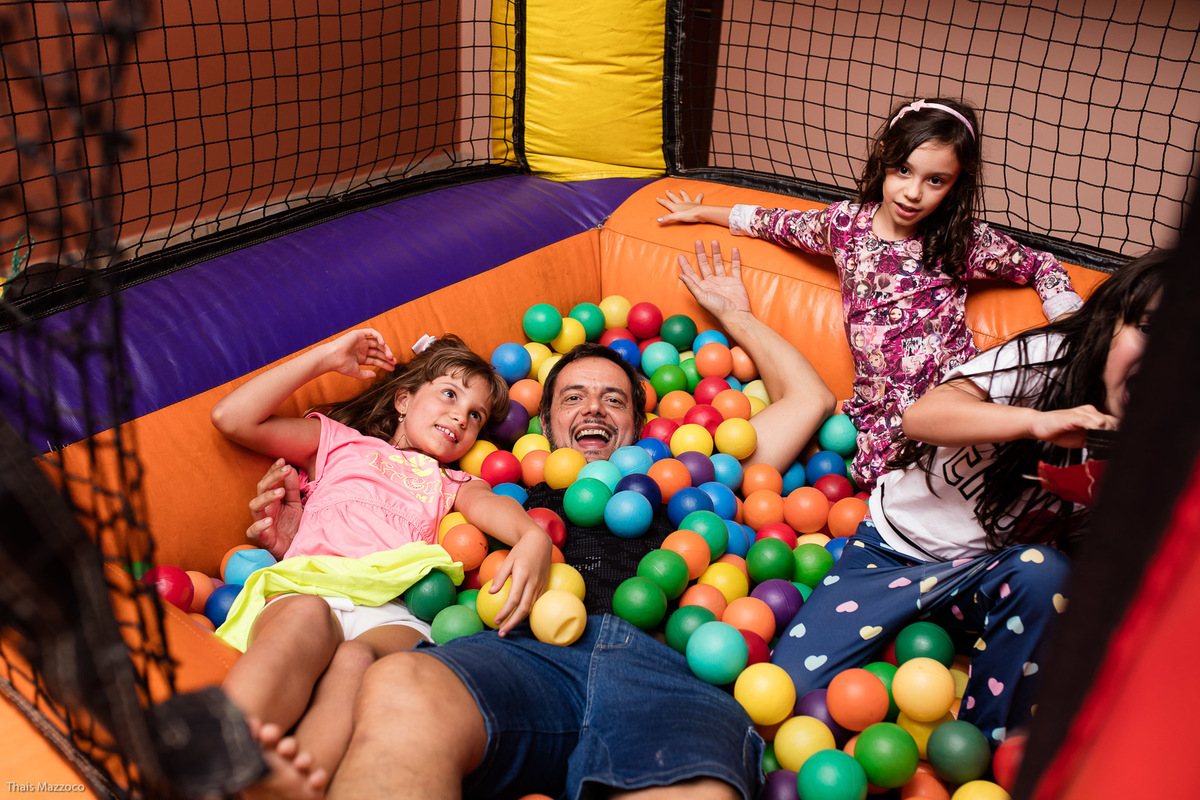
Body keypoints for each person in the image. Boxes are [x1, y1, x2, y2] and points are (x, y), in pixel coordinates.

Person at [248, 242, 835, 800]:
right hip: (514, 652)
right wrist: (301, 538)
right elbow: (385, 532)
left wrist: (736, 314)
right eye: (573, 397)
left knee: (695, 785)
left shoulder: (693, 474)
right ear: (546, 427)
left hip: (665, 665)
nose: (594, 408)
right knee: (401, 685)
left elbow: (811, 401)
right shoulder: (495, 486)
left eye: (614, 398)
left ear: (640, 422)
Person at [769, 250, 1167, 748]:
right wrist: (1035, 422)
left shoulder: (1151, 453)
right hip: (894, 555)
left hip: (987, 586)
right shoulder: (1046, 359)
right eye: (1149, 331)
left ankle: (983, 747)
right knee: (789, 693)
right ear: (1111, 322)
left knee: (1045, 572)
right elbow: (923, 417)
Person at [655, 97, 1084, 491]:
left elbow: (1040, 264)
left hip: (950, 400)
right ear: (884, 160)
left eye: (935, 180)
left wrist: (1070, 324)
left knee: (971, 477)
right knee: (873, 480)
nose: (914, 192)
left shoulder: (958, 241)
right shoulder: (846, 227)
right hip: (881, 413)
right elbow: (779, 223)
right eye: (904, 171)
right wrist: (704, 211)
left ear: (955, 186)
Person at [209, 331, 553, 795]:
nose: (460, 415)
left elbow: (493, 509)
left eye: (474, 416)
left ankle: (294, 784)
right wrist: (324, 358)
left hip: (391, 609)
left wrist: (533, 539)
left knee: (362, 662)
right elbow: (231, 418)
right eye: (449, 394)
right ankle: (216, 754)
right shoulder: (339, 444)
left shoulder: (450, 481)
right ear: (403, 400)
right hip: (316, 585)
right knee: (303, 615)